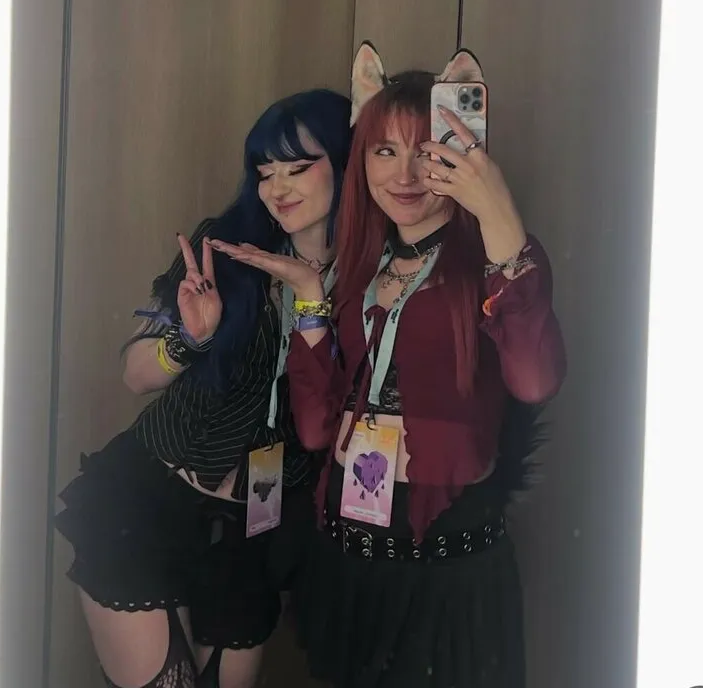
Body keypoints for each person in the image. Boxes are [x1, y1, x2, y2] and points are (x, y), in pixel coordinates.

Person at [213, 43, 567, 688]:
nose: (405, 175)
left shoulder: (497, 260)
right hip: (350, 554)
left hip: (450, 567)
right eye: (384, 150)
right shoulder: (358, 268)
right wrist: (311, 300)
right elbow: (316, 430)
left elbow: (535, 379)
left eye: (426, 150)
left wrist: (497, 211)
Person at [54, 88, 352, 688]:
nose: (277, 187)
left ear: (346, 164)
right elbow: (135, 373)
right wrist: (188, 339)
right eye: (264, 171)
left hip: (254, 530)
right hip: (149, 501)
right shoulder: (223, 249)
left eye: (297, 167)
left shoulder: (372, 280)